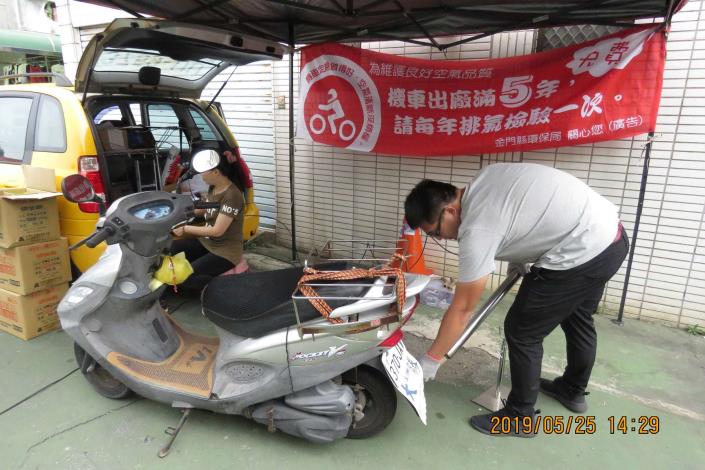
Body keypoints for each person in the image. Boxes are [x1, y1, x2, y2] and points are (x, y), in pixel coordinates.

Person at [404, 163, 628, 437]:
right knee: (577, 315)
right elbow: (523, 211)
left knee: (522, 330)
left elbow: (462, 308)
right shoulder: (486, 177)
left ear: (450, 210)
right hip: (610, 238)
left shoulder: (477, 227)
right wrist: (519, 258)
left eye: (436, 232)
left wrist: (432, 357)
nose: (442, 238)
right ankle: (572, 390)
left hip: (580, 251)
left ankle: (520, 417)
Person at [168, 149, 246, 293]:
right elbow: (205, 209)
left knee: (185, 279)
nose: (200, 175)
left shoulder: (232, 195)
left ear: (215, 172)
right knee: (171, 250)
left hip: (225, 251)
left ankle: (222, 287)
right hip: (207, 243)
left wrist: (185, 229)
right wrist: (179, 214)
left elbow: (217, 231)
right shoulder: (213, 187)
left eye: (203, 171)